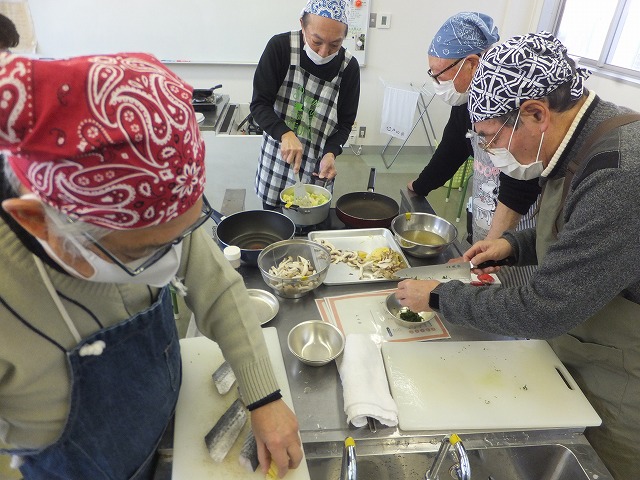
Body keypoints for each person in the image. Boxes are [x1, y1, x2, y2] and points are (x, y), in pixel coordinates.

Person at [0, 52, 302, 479]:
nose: (173, 259)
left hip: (171, 419)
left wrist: (264, 396)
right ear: (38, 222)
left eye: (183, 234)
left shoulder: (157, 207)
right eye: (143, 252)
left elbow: (217, 287)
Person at [396, 32, 640, 479]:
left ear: (535, 113)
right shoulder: (583, 139)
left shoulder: (621, 174)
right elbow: (576, 232)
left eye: (491, 138)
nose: (493, 153)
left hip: (624, 380)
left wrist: (438, 297)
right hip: (587, 344)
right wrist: (514, 244)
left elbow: (546, 307)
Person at [407, 12, 541, 286]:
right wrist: (419, 186)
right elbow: (452, 150)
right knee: (483, 286)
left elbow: (519, 186)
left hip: (520, 232)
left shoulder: (513, 104)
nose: (437, 83)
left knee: (515, 294)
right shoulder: (466, 101)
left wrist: (491, 249)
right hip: (485, 213)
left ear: (471, 64)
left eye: (439, 74)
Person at [251, 0, 360, 209]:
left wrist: (331, 153)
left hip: (317, 170)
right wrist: (284, 133)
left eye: (335, 45)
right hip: (276, 162)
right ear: (302, 24)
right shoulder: (281, 48)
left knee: (313, 222)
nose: (323, 52)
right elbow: (259, 104)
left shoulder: (349, 68)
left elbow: (345, 124)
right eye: (316, 41)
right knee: (274, 223)